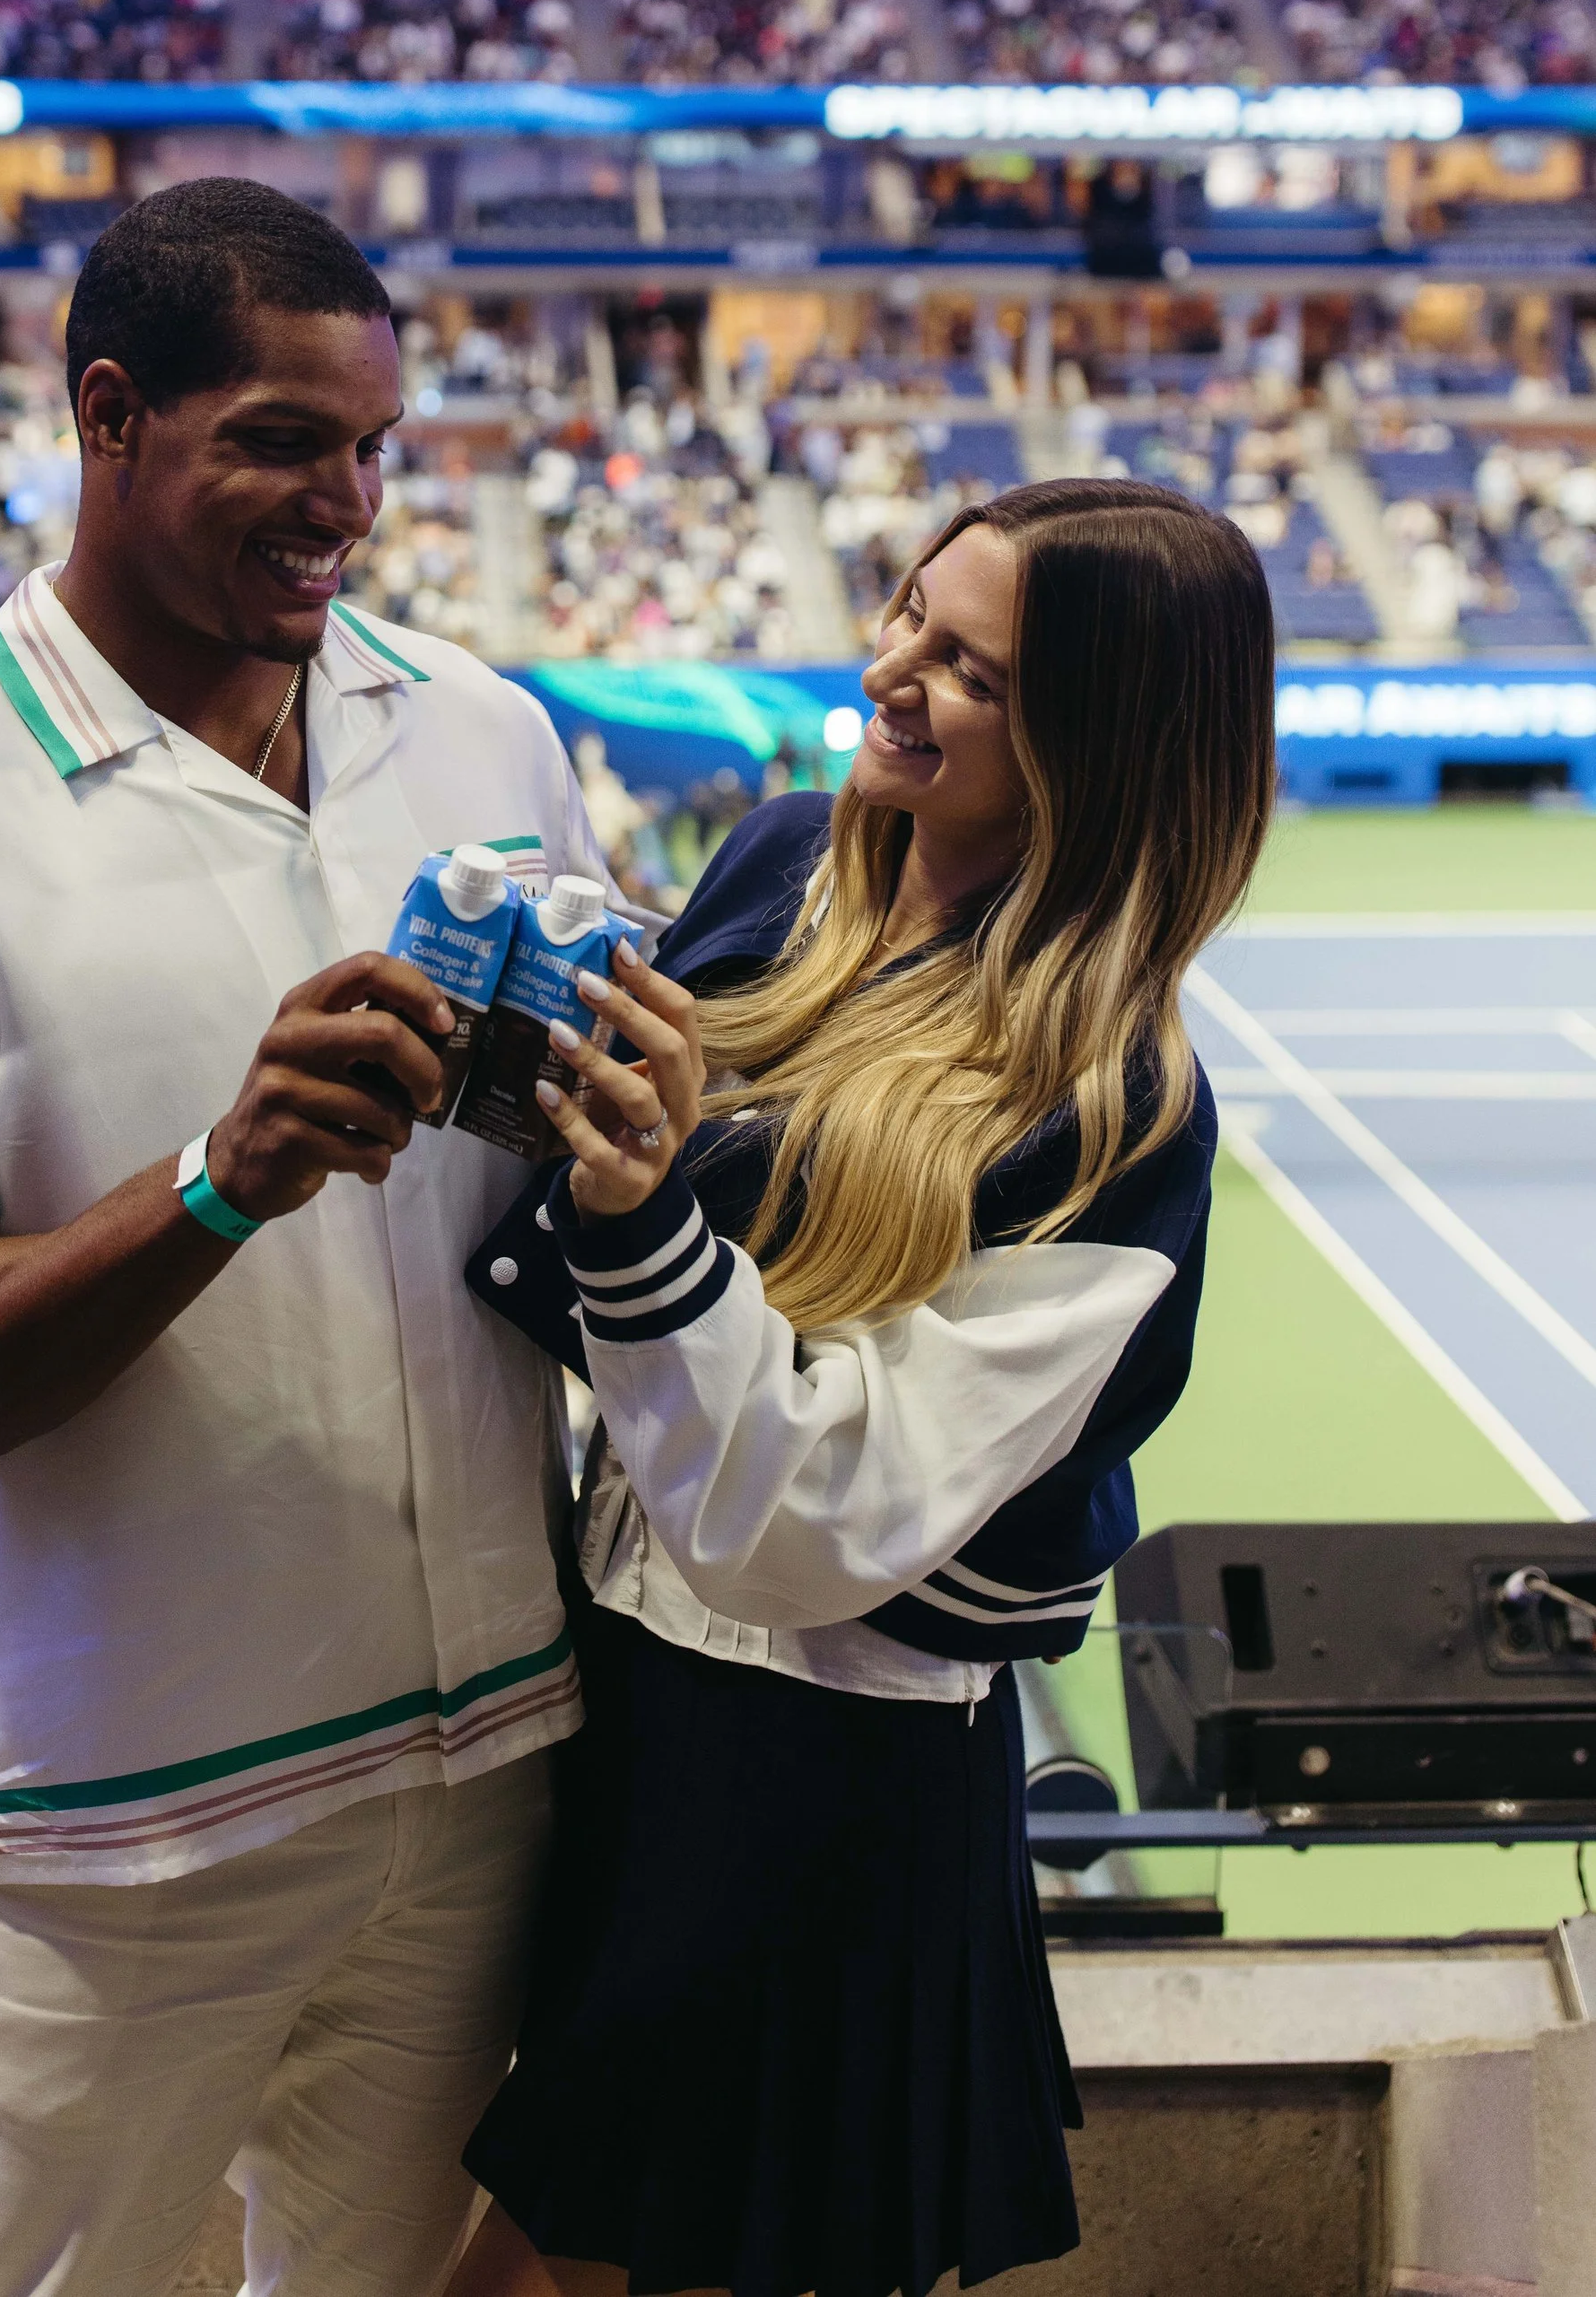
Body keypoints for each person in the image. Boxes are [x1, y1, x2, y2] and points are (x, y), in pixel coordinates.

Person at [0, 180, 614, 2297]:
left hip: (488, 1759)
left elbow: (574, 1201)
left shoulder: (482, 730)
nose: (346, 504)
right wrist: (220, 1176)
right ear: (107, 414)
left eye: (374, 448)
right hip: (122, 1832)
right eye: (281, 442)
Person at [451, 476, 1277, 2297]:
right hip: (615, 1689)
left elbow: (803, 1519)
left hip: (814, 1776)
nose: (892, 666)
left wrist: (632, 1196)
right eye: (908, 607)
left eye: (969, 668)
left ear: (1097, 738)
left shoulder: (1117, 1114)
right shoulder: (783, 858)